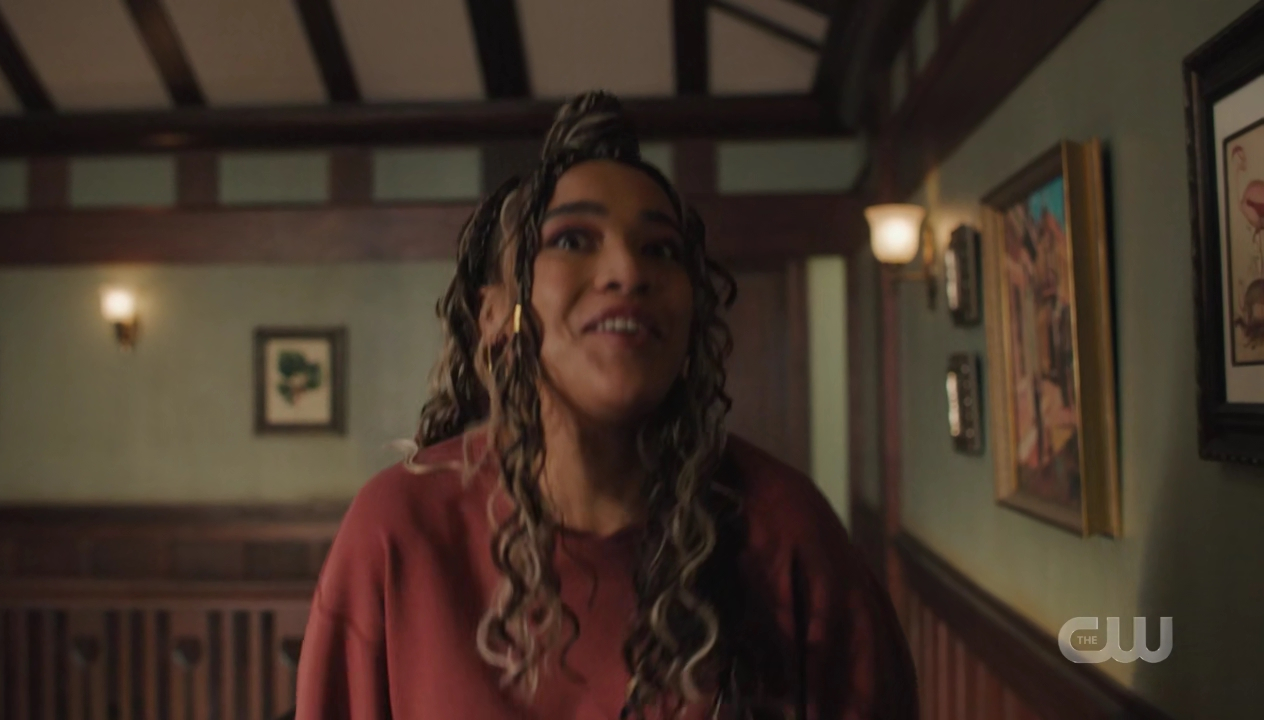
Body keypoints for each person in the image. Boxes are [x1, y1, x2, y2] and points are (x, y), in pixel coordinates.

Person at [295, 91, 918, 719]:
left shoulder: (787, 531)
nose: (627, 270)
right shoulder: (397, 530)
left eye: (661, 249)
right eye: (572, 240)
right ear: (495, 316)